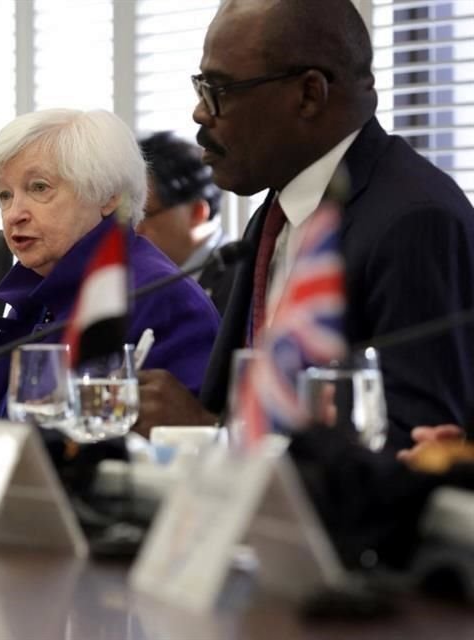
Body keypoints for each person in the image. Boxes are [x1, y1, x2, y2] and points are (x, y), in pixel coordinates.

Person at [138, 0, 474, 451]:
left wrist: (207, 435)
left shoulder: (412, 221)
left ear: (309, 94)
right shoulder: (279, 208)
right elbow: (240, 405)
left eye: (218, 89)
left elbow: (416, 447)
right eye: (201, 88)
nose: (200, 113)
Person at [0, 108, 219, 417]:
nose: (14, 213)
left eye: (39, 187)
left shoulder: (157, 295)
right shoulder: (36, 292)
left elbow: (176, 443)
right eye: (5, 195)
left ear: (109, 196)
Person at [136, 131, 233, 314]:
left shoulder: (240, 279)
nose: (135, 229)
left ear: (197, 213)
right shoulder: (138, 277)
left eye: (144, 215)